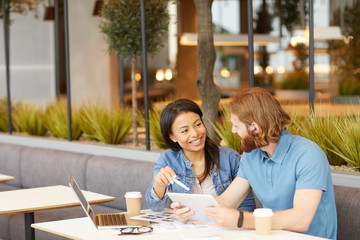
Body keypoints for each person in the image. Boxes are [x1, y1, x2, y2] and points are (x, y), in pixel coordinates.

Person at [182, 87, 335, 240]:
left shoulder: (308, 155)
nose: (233, 131)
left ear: (254, 127)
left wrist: (242, 220)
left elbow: (301, 220)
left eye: (236, 125)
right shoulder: (251, 155)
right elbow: (228, 200)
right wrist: (190, 209)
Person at [145, 99, 255, 213]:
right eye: (184, 131)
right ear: (172, 137)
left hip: (224, 227)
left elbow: (247, 207)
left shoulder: (230, 158)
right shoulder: (167, 159)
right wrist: (159, 185)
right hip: (186, 227)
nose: (195, 133)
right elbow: (155, 207)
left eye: (198, 124)